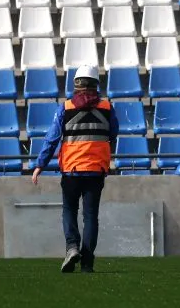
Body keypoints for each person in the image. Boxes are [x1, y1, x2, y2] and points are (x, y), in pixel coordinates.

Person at [31, 65, 119, 273]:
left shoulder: (66, 107)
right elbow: (113, 133)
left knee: (69, 210)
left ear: (76, 84)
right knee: (90, 216)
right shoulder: (107, 107)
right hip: (96, 170)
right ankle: (87, 263)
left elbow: (51, 139)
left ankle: (72, 247)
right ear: (96, 84)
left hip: (71, 170)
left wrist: (39, 165)